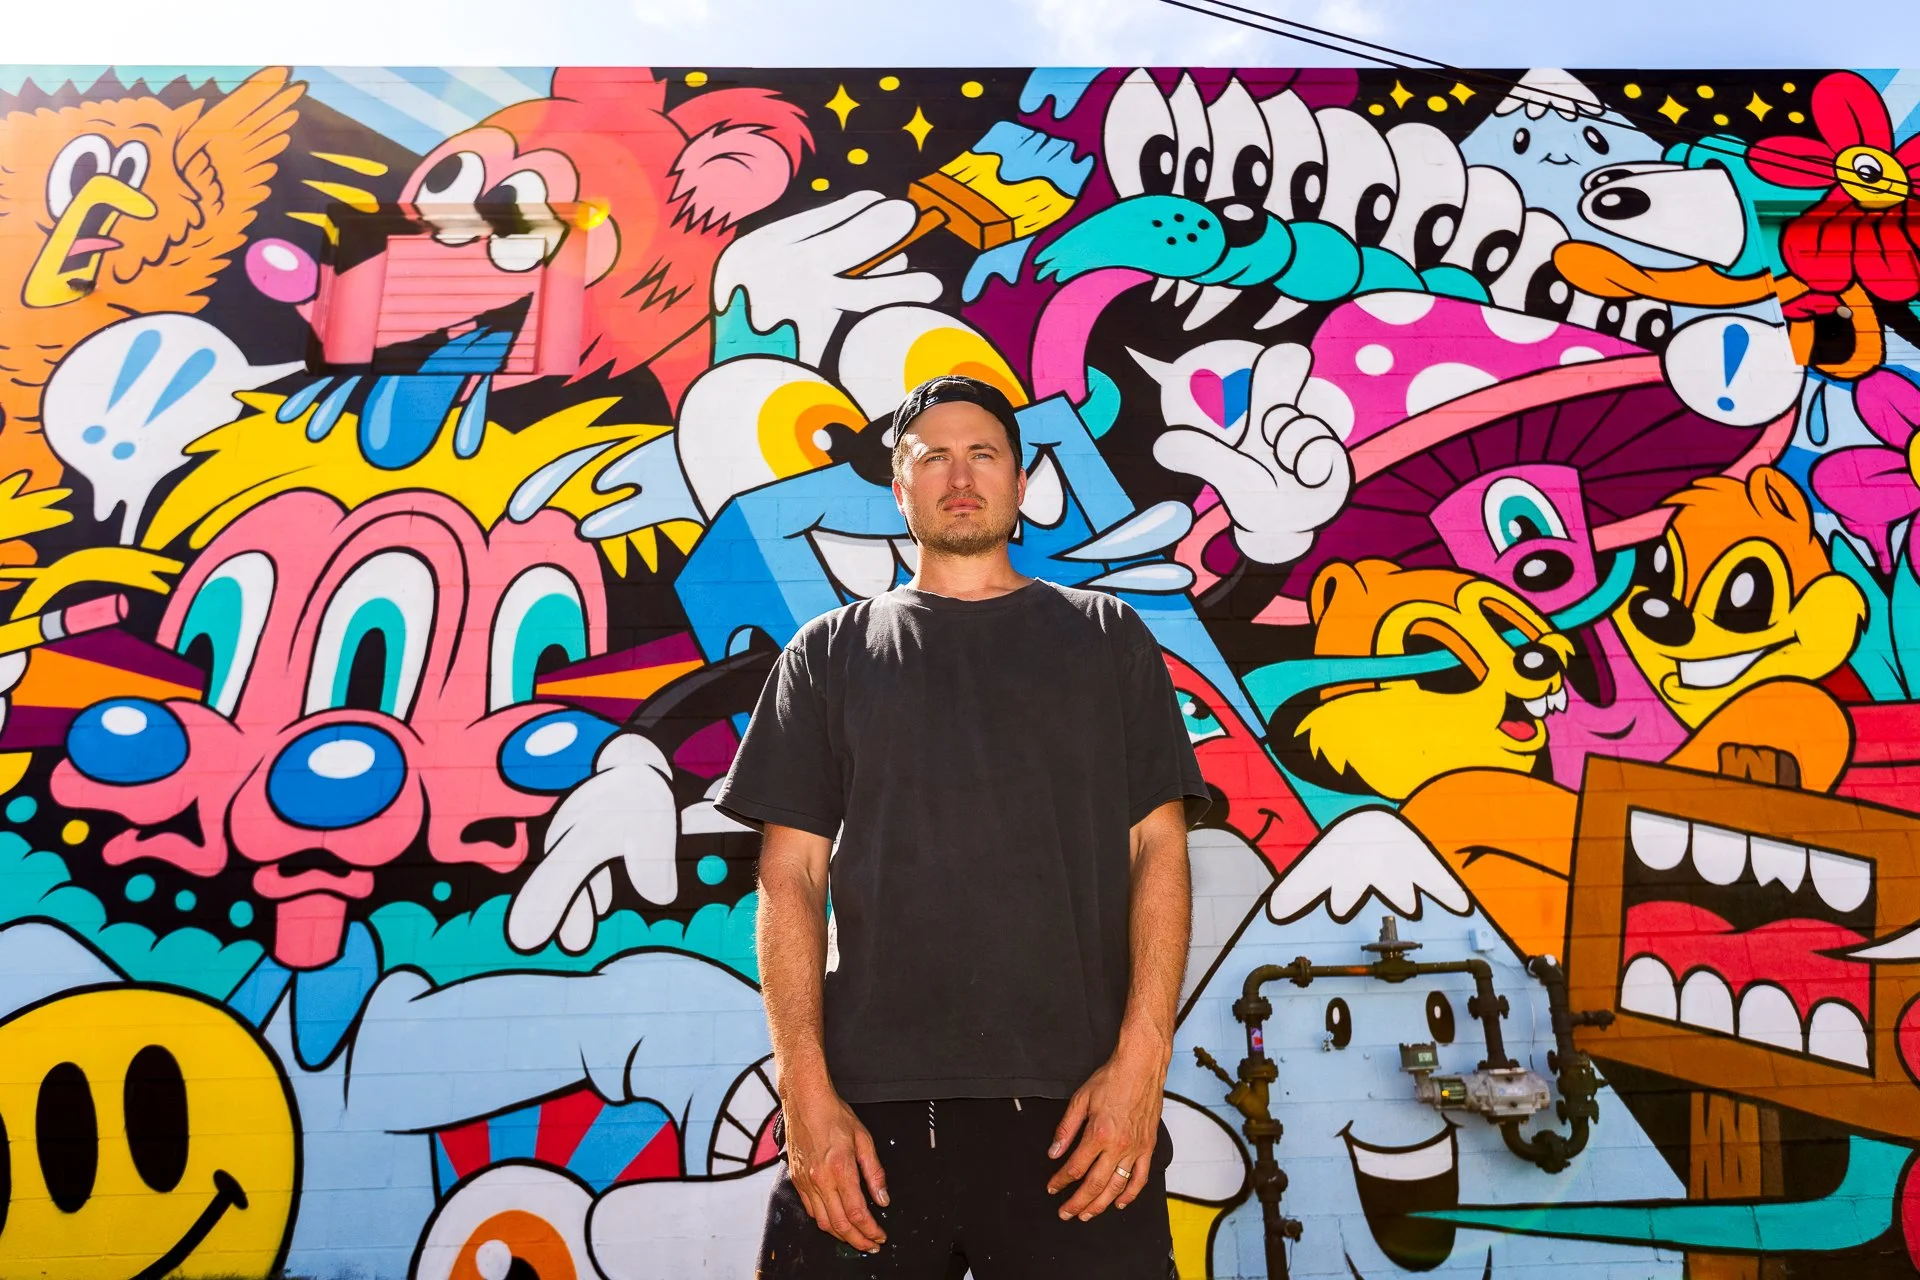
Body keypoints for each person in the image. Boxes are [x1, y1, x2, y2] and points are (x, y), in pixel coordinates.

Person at [716, 374, 1209, 1278]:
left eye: (983, 454)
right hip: (868, 1120)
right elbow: (789, 881)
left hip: (1078, 1115)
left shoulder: (1107, 638)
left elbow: (1159, 853)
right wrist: (804, 1092)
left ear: (1020, 484)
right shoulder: (828, 654)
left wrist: (1142, 1065)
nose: (959, 476)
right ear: (899, 488)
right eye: (931, 457)